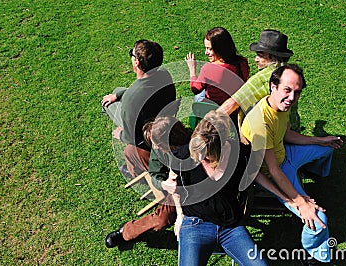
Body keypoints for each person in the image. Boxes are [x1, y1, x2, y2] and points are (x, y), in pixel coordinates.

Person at [241, 64, 343, 264]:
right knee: (318, 219)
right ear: (273, 86)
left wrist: (321, 140)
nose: (291, 98)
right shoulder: (260, 123)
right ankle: (313, 255)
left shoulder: (281, 105)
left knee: (329, 148)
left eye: (296, 93)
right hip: (275, 172)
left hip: (286, 153)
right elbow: (273, 170)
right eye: (287, 90)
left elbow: (287, 135)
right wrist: (301, 202)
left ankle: (316, 172)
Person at [170, 111, 267, 266]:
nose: (200, 158)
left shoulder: (238, 153)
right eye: (198, 152)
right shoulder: (184, 154)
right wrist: (179, 215)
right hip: (195, 223)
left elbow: (256, 174)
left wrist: (290, 198)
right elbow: (173, 183)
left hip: (231, 227)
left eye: (207, 155)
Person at [104, 116, 192, 248]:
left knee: (162, 220)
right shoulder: (159, 148)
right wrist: (163, 184)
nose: (155, 147)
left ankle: (126, 232)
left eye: (158, 144)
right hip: (170, 181)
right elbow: (154, 173)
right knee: (131, 151)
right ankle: (135, 173)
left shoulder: (192, 146)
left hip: (185, 189)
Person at [101, 40, 176, 177]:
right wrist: (118, 95)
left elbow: (132, 136)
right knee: (118, 90)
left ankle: (134, 170)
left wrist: (121, 135)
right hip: (164, 121)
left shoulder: (132, 98)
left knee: (108, 105)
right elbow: (138, 91)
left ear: (137, 63)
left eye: (132, 54)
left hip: (146, 136)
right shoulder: (164, 74)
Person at [217, 29, 301, 142]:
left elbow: (233, 103)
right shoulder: (292, 74)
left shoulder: (263, 78)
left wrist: (207, 123)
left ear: (272, 57)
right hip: (292, 129)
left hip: (268, 137)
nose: (256, 59)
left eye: (260, 55)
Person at [185, 27, 250, 106]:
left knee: (199, 95)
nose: (206, 52)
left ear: (220, 49)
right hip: (236, 107)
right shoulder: (243, 62)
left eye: (210, 49)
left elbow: (195, 89)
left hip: (215, 110)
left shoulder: (209, 69)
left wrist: (192, 69)